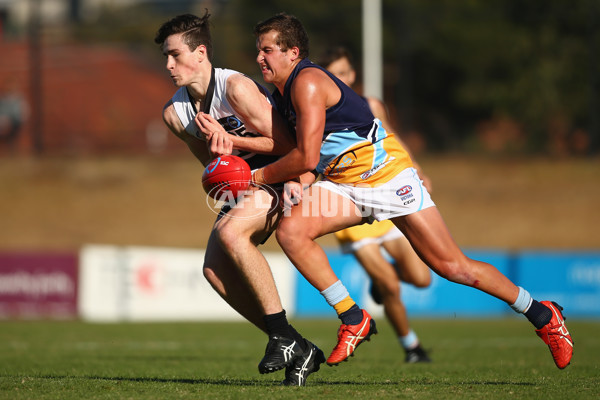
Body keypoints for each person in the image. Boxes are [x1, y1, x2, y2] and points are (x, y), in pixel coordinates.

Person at [250, 13, 573, 370]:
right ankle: (353, 317)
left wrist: (258, 176)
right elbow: (309, 157)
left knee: (453, 267)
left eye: (267, 50)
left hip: (387, 178)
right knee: (292, 232)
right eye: (258, 50)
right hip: (345, 184)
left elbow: (307, 155)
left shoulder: (307, 82)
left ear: (293, 52)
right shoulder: (280, 95)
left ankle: (543, 315)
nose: (260, 58)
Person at [154, 12, 325, 386]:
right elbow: (210, 165)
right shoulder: (175, 113)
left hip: (280, 174)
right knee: (214, 271)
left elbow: (287, 145)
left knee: (232, 235)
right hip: (246, 186)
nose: (169, 65)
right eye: (165, 57)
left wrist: (233, 144)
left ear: (200, 53)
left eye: (175, 55)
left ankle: (280, 333)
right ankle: (296, 344)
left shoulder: (236, 89)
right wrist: (222, 174)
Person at [319, 46, 431, 363]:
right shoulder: (317, 109)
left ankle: (382, 283)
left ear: (352, 75)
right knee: (390, 283)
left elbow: (391, 138)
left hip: (384, 193)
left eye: (343, 72)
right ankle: (412, 348)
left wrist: (417, 170)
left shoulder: (370, 105)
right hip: (351, 202)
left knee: (421, 279)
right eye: (331, 74)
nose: (338, 79)